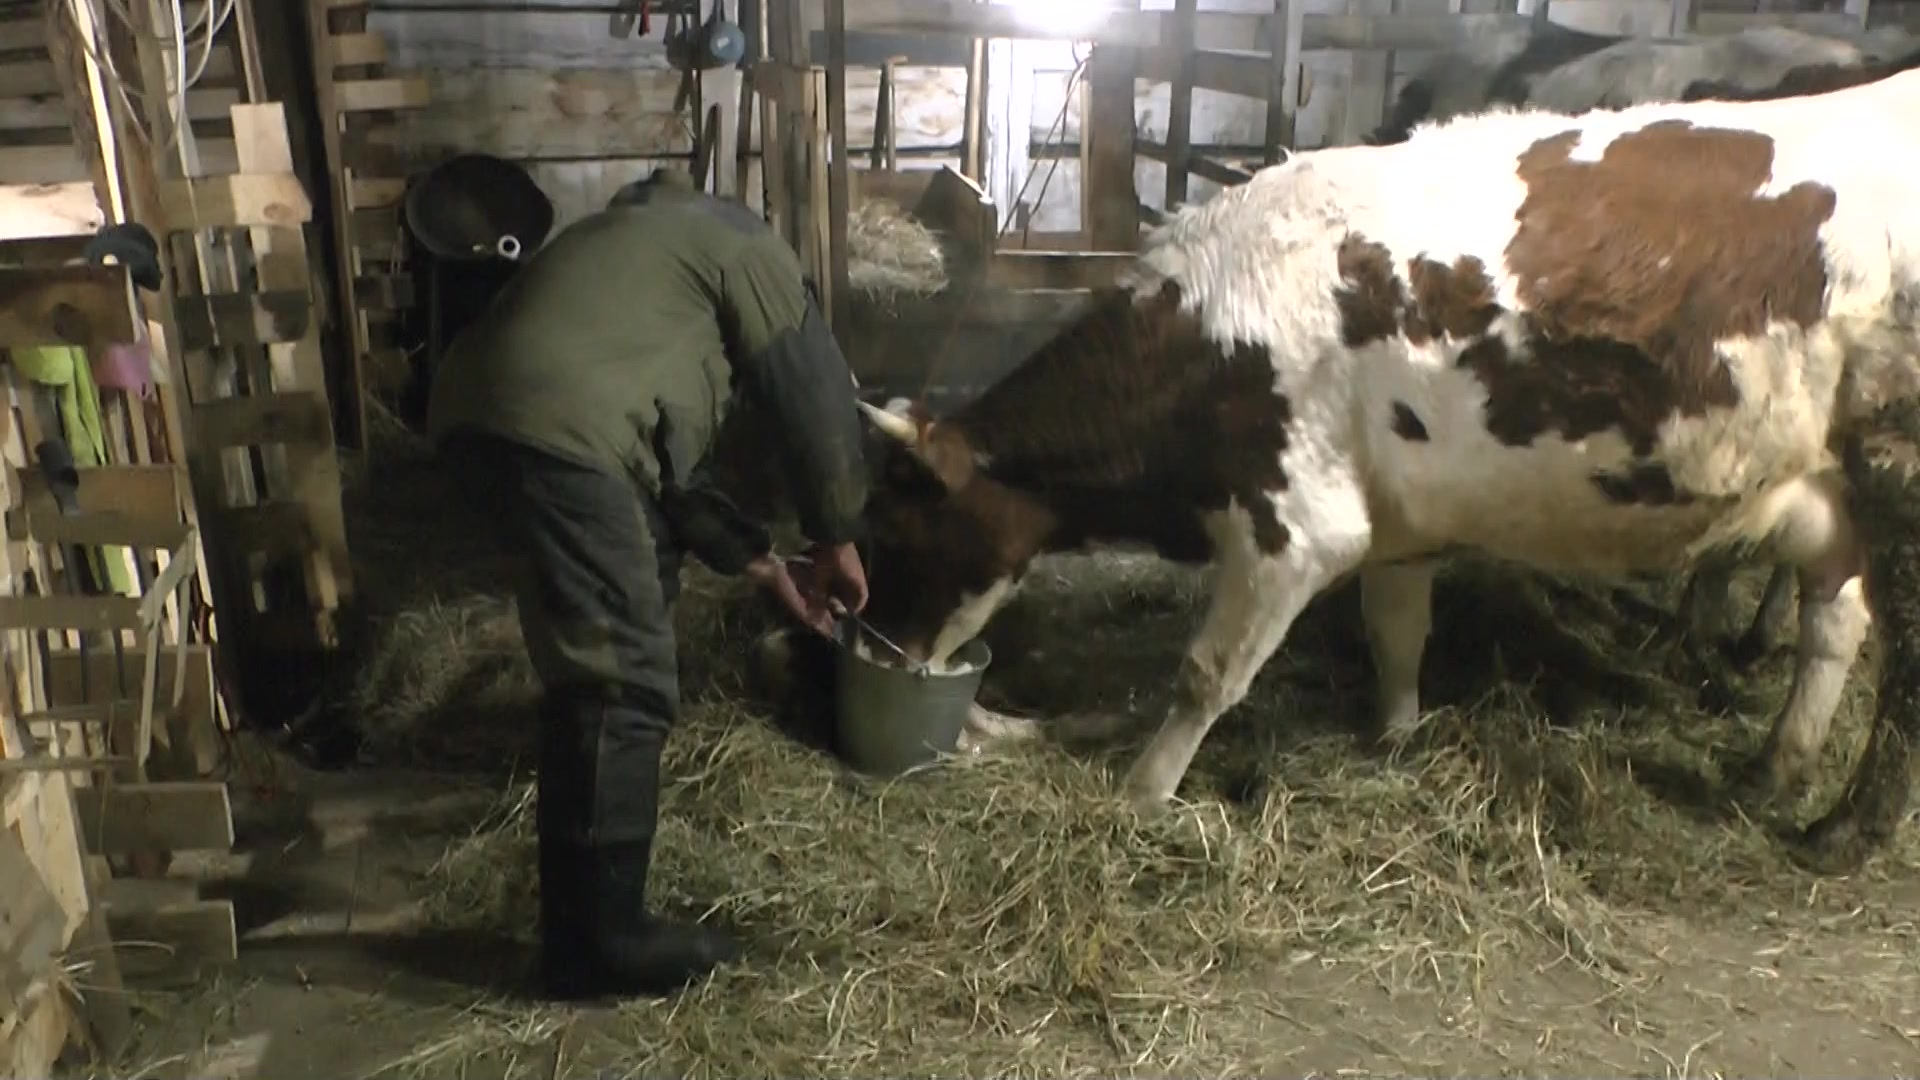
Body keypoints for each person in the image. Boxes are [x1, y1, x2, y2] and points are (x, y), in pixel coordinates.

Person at [426, 166, 871, 1000]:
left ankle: (587, 916)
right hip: (565, 425)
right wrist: (837, 532)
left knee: (614, 615)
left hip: (470, 412)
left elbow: (668, 484)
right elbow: (816, 394)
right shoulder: (750, 248)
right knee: (620, 671)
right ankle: (597, 944)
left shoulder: (632, 249)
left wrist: (767, 564)